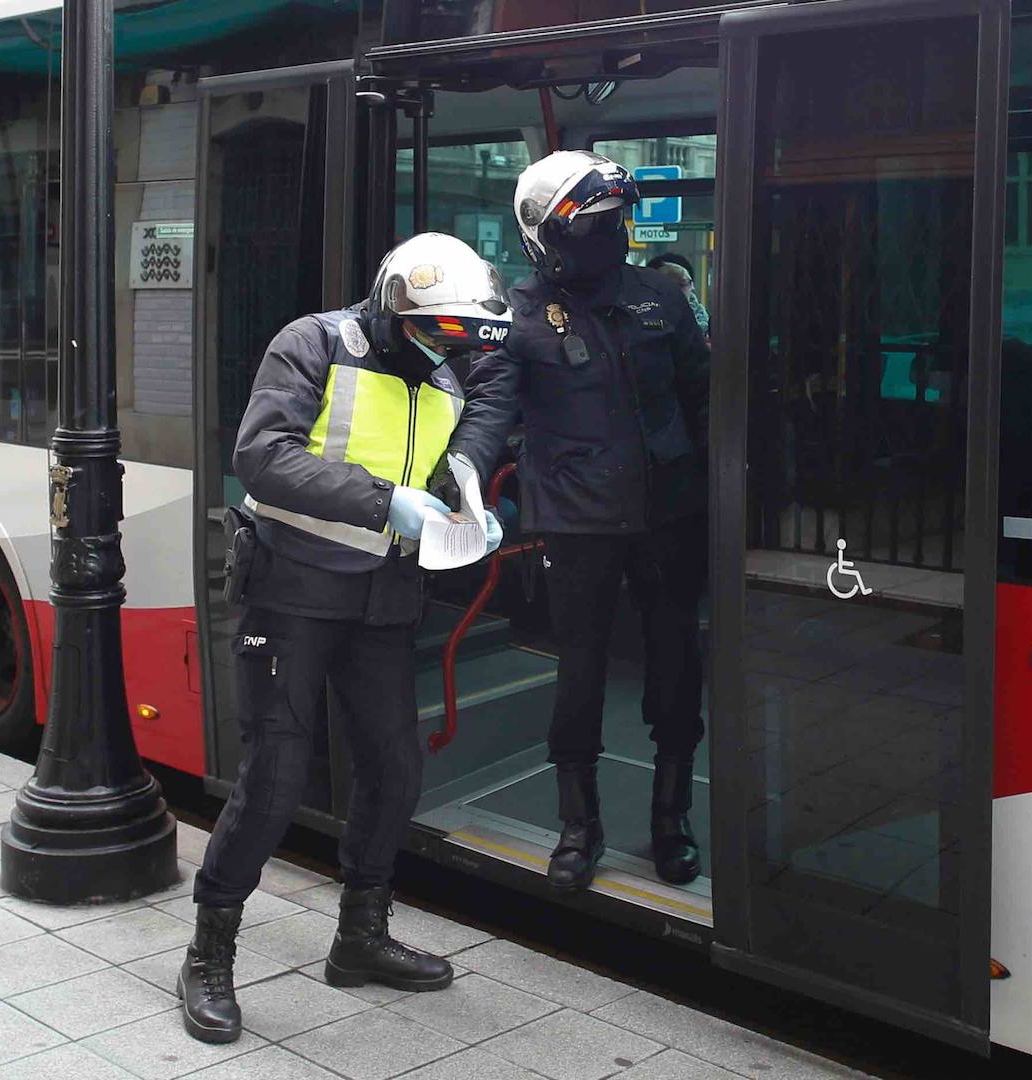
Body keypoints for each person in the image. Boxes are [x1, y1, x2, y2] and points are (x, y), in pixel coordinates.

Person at [179, 234, 509, 1045]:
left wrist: (465, 502)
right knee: (275, 779)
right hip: (291, 590)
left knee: (395, 771)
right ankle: (208, 955)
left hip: (383, 600)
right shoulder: (314, 342)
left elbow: (458, 440)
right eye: (434, 331)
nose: (444, 347)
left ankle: (359, 937)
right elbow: (262, 456)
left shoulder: (441, 373)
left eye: (456, 336)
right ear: (394, 308)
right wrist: (383, 502)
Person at [434, 151, 710, 893]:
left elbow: (702, 396)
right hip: (578, 523)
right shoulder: (516, 318)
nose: (609, 236)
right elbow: (490, 407)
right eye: (591, 225)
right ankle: (578, 826)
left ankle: (670, 819)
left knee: (677, 668)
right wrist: (463, 478)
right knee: (580, 674)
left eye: (614, 221)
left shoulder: (660, 297)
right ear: (546, 236)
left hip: (669, 515)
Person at [647, 252, 710, 337]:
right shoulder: (634, 324)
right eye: (665, 285)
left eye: (681, 284)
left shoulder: (711, 328)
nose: (674, 291)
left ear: (692, 286)